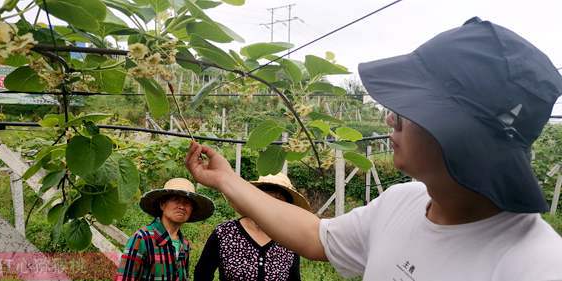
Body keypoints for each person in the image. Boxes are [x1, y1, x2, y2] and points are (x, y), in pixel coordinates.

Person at [185, 17, 562, 280]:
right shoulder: (402, 203)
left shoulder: (536, 266)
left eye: (408, 107)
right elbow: (316, 235)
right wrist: (227, 179)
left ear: (456, 129)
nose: (388, 119)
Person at [194, 173, 309, 281]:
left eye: (278, 201)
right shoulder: (225, 233)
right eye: (266, 197)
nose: (271, 205)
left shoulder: (288, 241)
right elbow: (202, 274)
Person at [115, 178, 214, 281]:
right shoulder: (143, 238)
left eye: (187, 203)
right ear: (162, 204)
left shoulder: (184, 244)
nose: (181, 206)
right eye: (175, 200)